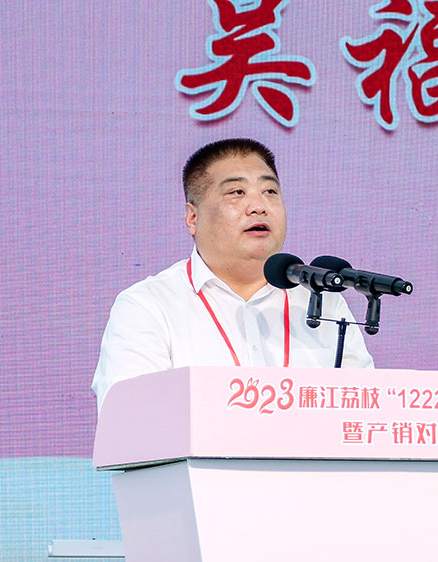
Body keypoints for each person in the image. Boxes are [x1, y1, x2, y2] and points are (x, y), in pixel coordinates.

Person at [91, 138, 373, 409]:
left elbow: (365, 408)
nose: (259, 206)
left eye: (270, 192)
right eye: (237, 193)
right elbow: (131, 420)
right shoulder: (148, 306)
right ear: (193, 218)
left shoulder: (322, 300)